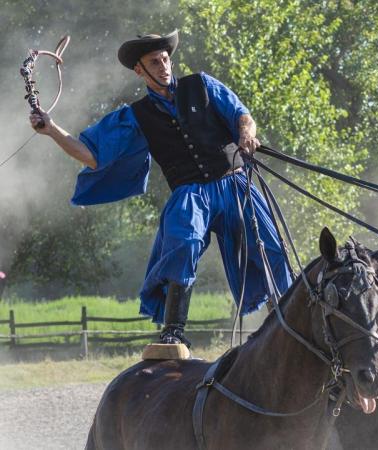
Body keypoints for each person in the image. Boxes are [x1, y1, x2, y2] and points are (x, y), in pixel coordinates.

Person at [29, 30, 292, 349]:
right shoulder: (136, 116)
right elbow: (92, 156)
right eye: (155, 62)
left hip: (234, 182)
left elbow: (242, 116)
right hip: (191, 194)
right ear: (139, 70)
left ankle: (286, 318)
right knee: (182, 243)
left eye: (166, 59)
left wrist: (247, 135)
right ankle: (173, 331)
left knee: (271, 246)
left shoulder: (202, 85)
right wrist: (51, 129)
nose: (164, 66)